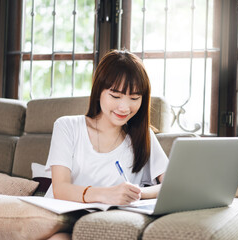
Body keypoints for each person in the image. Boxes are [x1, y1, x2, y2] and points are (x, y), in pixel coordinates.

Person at [45, 49, 169, 240]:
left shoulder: (143, 136)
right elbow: (60, 188)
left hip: (104, 225)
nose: (124, 107)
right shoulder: (67, 126)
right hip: (59, 218)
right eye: (116, 96)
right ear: (98, 92)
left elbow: (171, 185)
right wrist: (106, 194)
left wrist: (135, 194)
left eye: (134, 98)